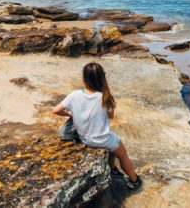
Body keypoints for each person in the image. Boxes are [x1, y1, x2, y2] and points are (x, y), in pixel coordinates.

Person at [53, 62, 142, 190]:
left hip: (85, 139)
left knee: (113, 141)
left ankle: (113, 169)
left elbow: (56, 110)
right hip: (102, 139)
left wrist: (71, 114)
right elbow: (111, 116)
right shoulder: (104, 97)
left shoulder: (74, 95)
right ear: (102, 79)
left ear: (84, 79)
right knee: (123, 154)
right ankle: (134, 180)